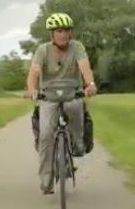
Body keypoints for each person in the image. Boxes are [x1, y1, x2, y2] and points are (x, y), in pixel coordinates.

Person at [24, 13, 97, 194]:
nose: (63, 34)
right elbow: (34, 71)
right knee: (46, 135)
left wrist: (91, 85)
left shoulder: (77, 47)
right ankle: (46, 179)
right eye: (59, 31)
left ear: (70, 33)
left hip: (73, 93)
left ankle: (78, 144)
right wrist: (32, 89)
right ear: (52, 34)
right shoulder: (42, 50)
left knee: (75, 109)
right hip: (48, 96)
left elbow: (84, 66)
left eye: (66, 31)